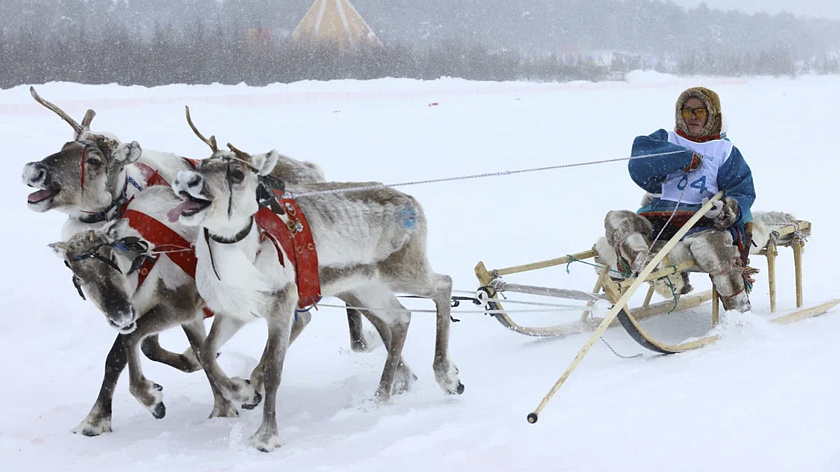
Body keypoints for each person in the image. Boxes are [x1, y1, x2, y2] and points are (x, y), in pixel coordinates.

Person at [604, 87, 755, 312]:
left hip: (700, 224)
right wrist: (681, 158)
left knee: (715, 249)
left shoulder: (725, 150)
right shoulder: (667, 138)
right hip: (659, 221)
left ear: (712, 115)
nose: (693, 117)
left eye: (700, 112)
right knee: (616, 219)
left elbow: (742, 191)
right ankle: (652, 270)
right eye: (687, 111)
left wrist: (725, 209)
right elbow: (639, 161)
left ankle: (739, 311)